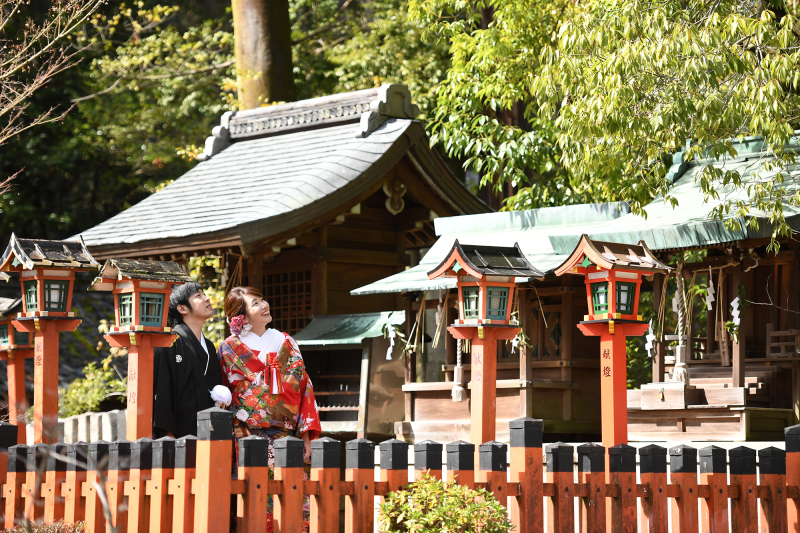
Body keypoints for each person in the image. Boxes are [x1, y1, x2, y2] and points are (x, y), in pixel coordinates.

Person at [217, 286, 321, 532]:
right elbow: (223, 393)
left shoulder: (287, 341)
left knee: (294, 500)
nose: (264, 305)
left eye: (262, 300)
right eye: (255, 303)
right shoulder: (228, 348)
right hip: (246, 437)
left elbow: (304, 387)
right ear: (240, 317)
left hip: (288, 437)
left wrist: (305, 434)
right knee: (253, 500)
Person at [152, 282, 224, 438]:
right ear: (182, 308)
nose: (206, 299)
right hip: (179, 438)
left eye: (204, 294)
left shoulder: (210, 347)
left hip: (209, 435)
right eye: (198, 296)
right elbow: (162, 397)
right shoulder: (168, 343)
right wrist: (169, 440)